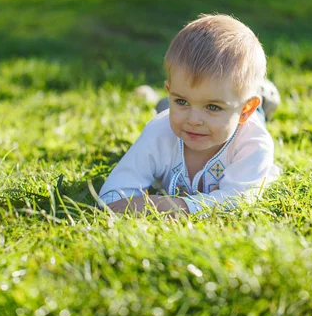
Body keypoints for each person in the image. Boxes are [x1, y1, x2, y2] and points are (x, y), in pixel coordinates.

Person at [98, 14, 280, 216]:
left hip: (247, 122)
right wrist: (123, 203)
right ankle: (166, 104)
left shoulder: (254, 144)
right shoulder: (159, 132)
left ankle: (264, 96)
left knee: (257, 118)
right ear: (170, 91)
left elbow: (239, 198)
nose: (193, 120)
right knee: (170, 114)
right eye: (181, 100)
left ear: (245, 109)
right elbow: (113, 195)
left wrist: (177, 206)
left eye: (213, 107)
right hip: (174, 114)